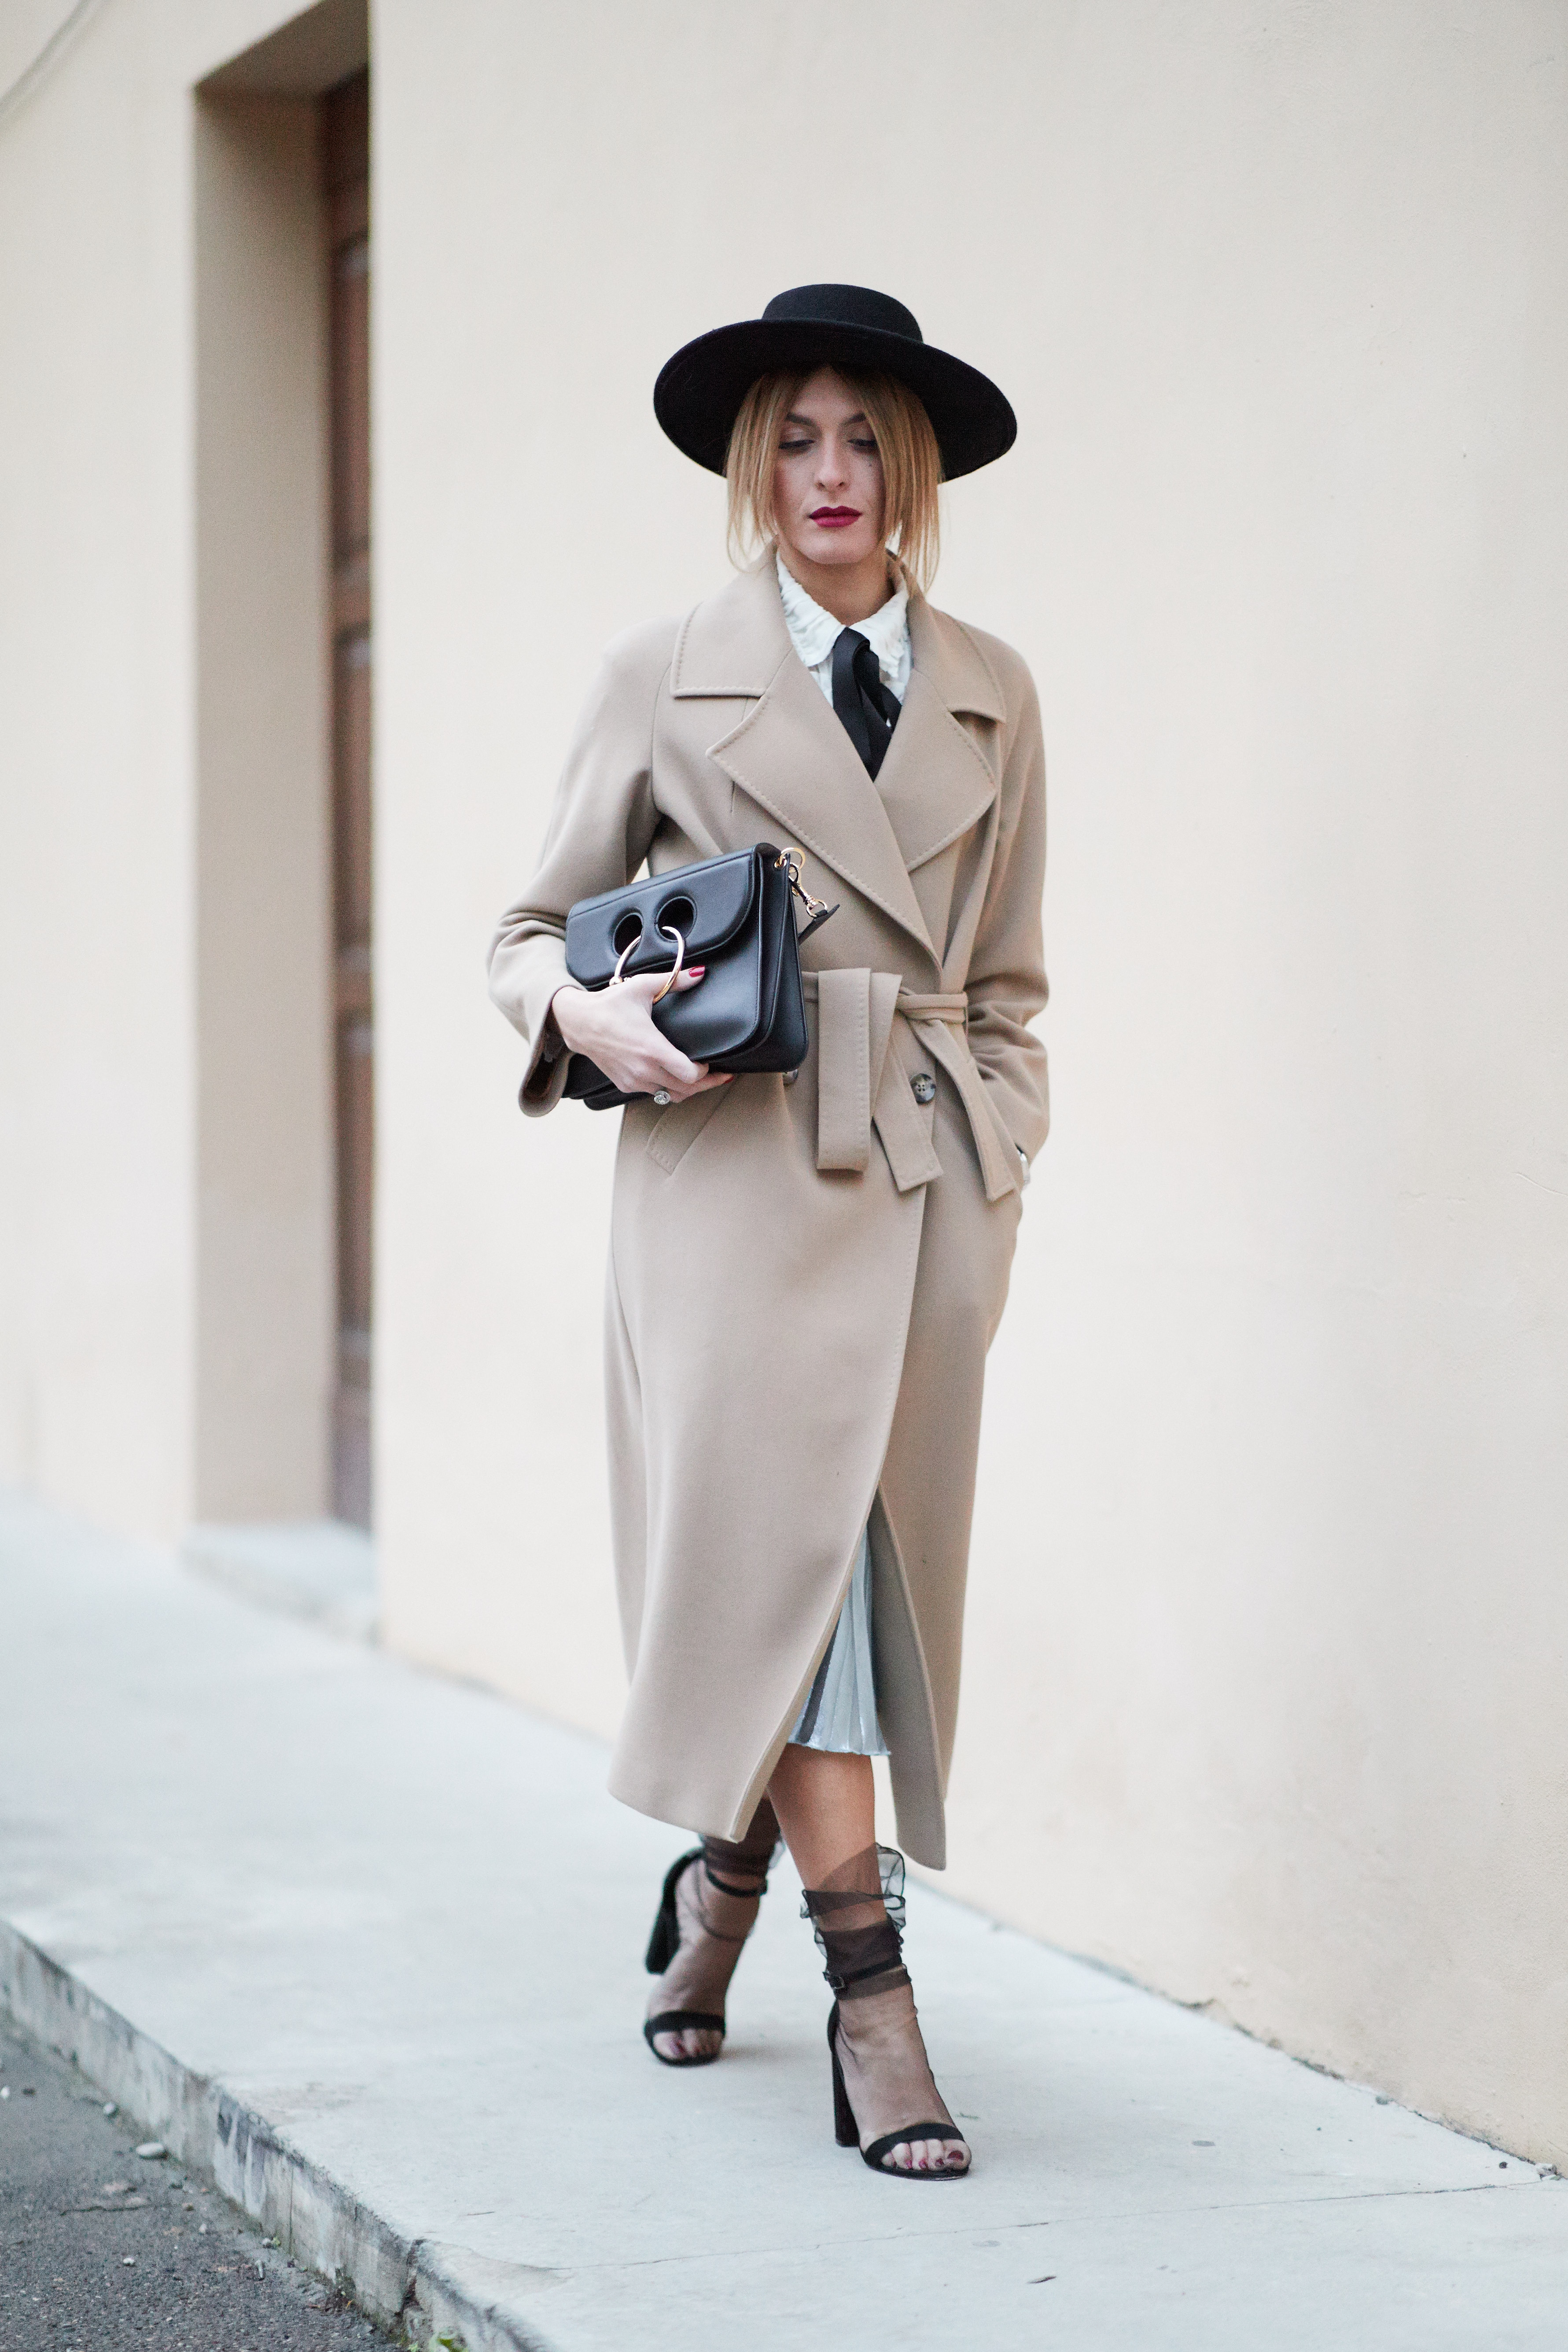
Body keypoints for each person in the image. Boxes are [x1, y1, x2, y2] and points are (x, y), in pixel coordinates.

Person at [489, 285, 1048, 2178]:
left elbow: (1010, 981)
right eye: (795, 438)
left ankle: (720, 1894)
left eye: (865, 437)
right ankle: (874, 2004)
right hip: (729, 1191)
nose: (831, 471)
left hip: (924, 1187)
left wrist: (1001, 1140)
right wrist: (585, 1018)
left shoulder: (993, 687)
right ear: (753, 464)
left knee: (839, 1594)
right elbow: (524, 934)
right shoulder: (662, 671)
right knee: (778, 1581)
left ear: (914, 466)